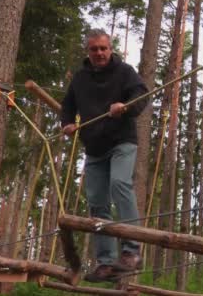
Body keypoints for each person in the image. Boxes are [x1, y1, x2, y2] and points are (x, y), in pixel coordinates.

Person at [61, 29, 148, 282]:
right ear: (87, 52)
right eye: (94, 49)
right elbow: (68, 105)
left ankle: (132, 252)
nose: (99, 53)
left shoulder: (125, 72)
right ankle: (107, 262)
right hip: (94, 148)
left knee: (120, 184)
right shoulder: (80, 79)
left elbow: (141, 94)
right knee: (97, 202)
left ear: (111, 49)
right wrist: (66, 123)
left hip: (122, 141)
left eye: (103, 48)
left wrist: (126, 106)